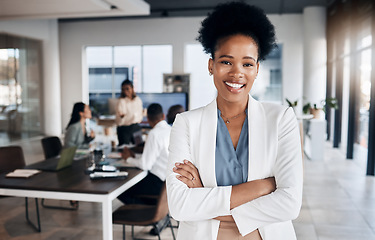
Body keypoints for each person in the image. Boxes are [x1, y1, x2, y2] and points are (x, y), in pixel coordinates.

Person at [166, 2, 303, 240]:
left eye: (247, 64)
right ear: (212, 65)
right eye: (226, 61)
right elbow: (180, 206)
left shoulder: (281, 119)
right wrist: (263, 187)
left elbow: (289, 204)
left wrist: (205, 197)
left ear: (257, 69)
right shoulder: (186, 123)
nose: (237, 73)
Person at [118, 103, 171, 204]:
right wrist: (135, 156)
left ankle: (144, 211)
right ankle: (151, 208)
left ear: (148, 119)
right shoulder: (170, 130)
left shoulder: (154, 133)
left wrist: (128, 158)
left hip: (158, 182)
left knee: (122, 190)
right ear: (163, 116)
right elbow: (156, 156)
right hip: (168, 183)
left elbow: (145, 165)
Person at [115, 79, 143, 146]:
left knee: (139, 147)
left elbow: (139, 115)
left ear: (132, 88)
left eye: (127, 89)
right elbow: (119, 120)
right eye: (123, 89)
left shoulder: (137, 100)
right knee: (124, 149)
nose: (125, 91)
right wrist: (122, 117)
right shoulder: (121, 101)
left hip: (135, 127)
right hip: (124, 129)